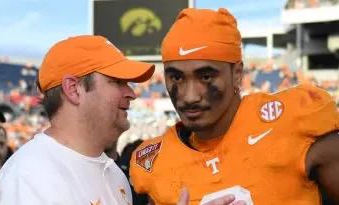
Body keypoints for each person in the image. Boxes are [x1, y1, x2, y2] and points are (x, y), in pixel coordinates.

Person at [129, 8, 339, 205]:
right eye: (176, 77)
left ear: (237, 73)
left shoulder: (295, 122)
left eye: (206, 76)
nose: (190, 96)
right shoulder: (153, 162)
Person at [0, 35, 155, 205]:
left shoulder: (115, 174)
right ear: (73, 89)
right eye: (117, 82)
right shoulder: (29, 178)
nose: (131, 93)